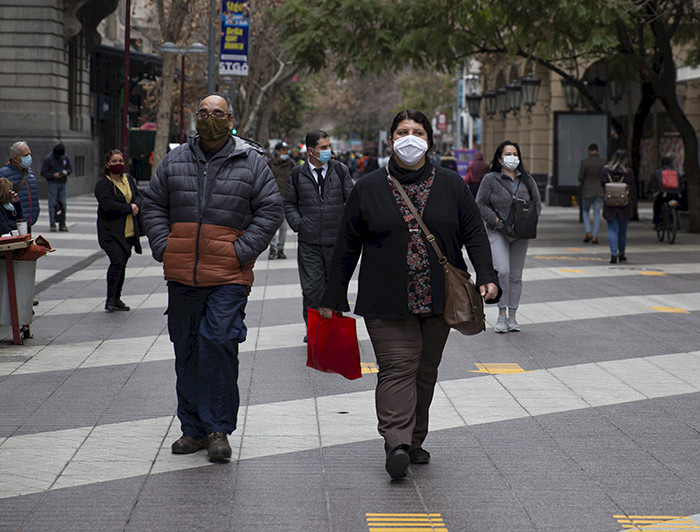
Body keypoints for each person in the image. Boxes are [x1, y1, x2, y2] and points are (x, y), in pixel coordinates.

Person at [318, 110, 500, 479]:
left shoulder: (451, 184)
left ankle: (415, 440)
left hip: (439, 298)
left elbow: (474, 233)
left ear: (429, 140)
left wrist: (487, 274)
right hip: (385, 300)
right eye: (403, 131)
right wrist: (333, 293)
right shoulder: (367, 187)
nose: (410, 137)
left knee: (425, 370)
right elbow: (347, 244)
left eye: (418, 132)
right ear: (391, 140)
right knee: (398, 367)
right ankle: (396, 443)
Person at [142, 93, 283, 463]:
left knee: (218, 342)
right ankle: (192, 430)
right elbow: (153, 203)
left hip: (227, 276)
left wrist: (240, 251)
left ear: (231, 118)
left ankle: (218, 429)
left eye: (217, 113)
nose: (209, 118)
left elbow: (270, 210)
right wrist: (163, 245)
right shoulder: (175, 159)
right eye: (203, 112)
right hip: (182, 274)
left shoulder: (251, 162)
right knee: (186, 349)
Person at [283, 129, 353, 337]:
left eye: (329, 146)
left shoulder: (340, 170)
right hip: (309, 241)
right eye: (323, 147)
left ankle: (335, 328)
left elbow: (352, 201)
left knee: (335, 287)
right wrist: (299, 224)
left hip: (336, 241)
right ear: (311, 151)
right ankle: (314, 329)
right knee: (312, 288)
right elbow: (289, 203)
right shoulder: (297, 174)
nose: (328, 151)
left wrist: (347, 227)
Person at [475, 140, 542, 334]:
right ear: (499, 158)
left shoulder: (528, 179)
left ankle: (513, 315)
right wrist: (496, 221)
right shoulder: (490, 179)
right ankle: (501, 314)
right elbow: (480, 204)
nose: (512, 157)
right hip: (498, 232)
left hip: (521, 234)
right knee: (502, 271)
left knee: (515, 275)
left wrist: (530, 222)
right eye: (508, 154)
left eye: (515, 154)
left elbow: (537, 203)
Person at [94, 149, 143, 312]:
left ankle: (117, 299)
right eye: (114, 161)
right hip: (110, 233)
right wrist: (129, 208)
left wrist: (136, 204)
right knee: (117, 261)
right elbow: (108, 205)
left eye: (120, 161)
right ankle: (110, 299)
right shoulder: (103, 184)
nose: (118, 164)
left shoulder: (128, 179)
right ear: (107, 164)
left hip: (127, 232)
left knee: (122, 264)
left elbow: (137, 196)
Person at [601, 149, 635, 264]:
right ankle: (622, 254)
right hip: (624, 204)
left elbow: (602, 184)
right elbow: (631, 185)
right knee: (622, 230)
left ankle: (613, 254)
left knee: (612, 229)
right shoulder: (628, 172)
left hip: (609, 204)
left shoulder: (605, 170)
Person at [0, 141, 40, 232]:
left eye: (29, 154)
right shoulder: (4, 174)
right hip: (13, 222)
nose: (29, 157)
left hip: (28, 221)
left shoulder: (29, 172)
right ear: (15, 158)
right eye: (26, 155)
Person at [267, 141, 295, 259]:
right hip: (271, 199)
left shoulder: (291, 164)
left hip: (286, 199)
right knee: (272, 225)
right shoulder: (269, 163)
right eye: (283, 150)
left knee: (283, 226)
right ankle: (272, 248)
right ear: (277, 151)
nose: (286, 152)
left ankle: (280, 249)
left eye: (287, 150)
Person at [40, 142, 72, 232]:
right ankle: (52, 224)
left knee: (63, 203)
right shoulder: (48, 159)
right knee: (52, 204)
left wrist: (66, 172)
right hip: (52, 183)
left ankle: (62, 223)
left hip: (62, 182)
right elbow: (43, 172)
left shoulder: (65, 157)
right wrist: (53, 175)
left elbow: (70, 169)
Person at [577, 143, 605, 243]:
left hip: (587, 190)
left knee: (585, 211)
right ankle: (595, 236)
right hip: (599, 191)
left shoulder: (585, 162)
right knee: (597, 213)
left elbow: (580, 177)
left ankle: (588, 231)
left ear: (589, 151)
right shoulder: (602, 162)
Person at [651, 156, 681, 228]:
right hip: (675, 194)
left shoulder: (658, 172)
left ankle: (658, 223)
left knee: (657, 204)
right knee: (675, 204)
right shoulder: (676, 172)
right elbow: (681, 183)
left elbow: (652, 183)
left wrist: (653, 192)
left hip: (663, 194)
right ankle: (674, 220)